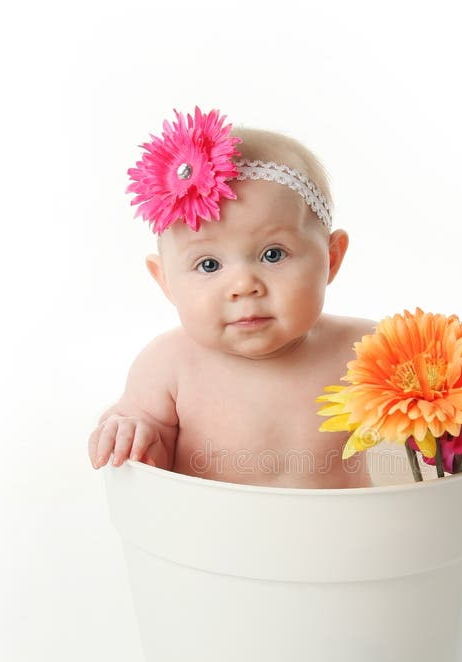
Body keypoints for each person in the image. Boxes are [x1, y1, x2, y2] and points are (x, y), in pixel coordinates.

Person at [88, 107, 375, 488]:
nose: (243, 285)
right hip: (207, 528)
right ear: (165, 282)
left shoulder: (367, 352)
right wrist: (135, 432)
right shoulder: (167, 365)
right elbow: (143, 447)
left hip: (345, 528)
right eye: (208, 264)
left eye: (273, 254)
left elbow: (439, 420)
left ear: (331, 258)